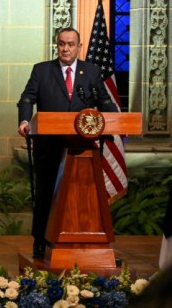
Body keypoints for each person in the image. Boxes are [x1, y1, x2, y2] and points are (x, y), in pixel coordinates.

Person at [17, 27, 117, 259]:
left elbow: (104, 100)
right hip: (49, 144)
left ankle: (82, 240)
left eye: (71, 44)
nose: (66, 48)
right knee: (45, 194)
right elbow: (27, 98)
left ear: (79, 47)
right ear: (56, 45)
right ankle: (40, 241)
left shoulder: (91, 71)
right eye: (62, 43)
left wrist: (115, 121)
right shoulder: (42, 70)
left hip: (82, 148)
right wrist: (24, 120)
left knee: (83, 195)